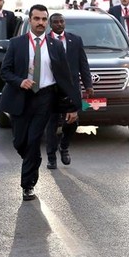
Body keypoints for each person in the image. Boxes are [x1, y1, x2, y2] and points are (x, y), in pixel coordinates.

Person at [0, 4, 79, 201]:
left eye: (44, 19)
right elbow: (4, 71)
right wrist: (20, 81)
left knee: (34, 139)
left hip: (45, 97)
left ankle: (28, 185)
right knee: (20, 142)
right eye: (37, 19)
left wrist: (72, 106)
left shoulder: (56, 45)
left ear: (47, 22)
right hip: (21, 98)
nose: (40, 23)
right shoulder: (16, 43)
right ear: (30, 20)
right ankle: (33, 158)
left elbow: (65, 77)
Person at [45, 13, 93, 169]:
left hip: (71, 88)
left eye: (61, 22)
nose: (59, 24)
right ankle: (51, 157)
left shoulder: (75, 40)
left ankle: (64, 146)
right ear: (50, 24)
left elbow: (83, 64)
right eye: (55, 22)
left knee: (72, 121)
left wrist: (88, 85)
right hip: (51, 88)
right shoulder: (45, 41)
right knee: (51, 124)